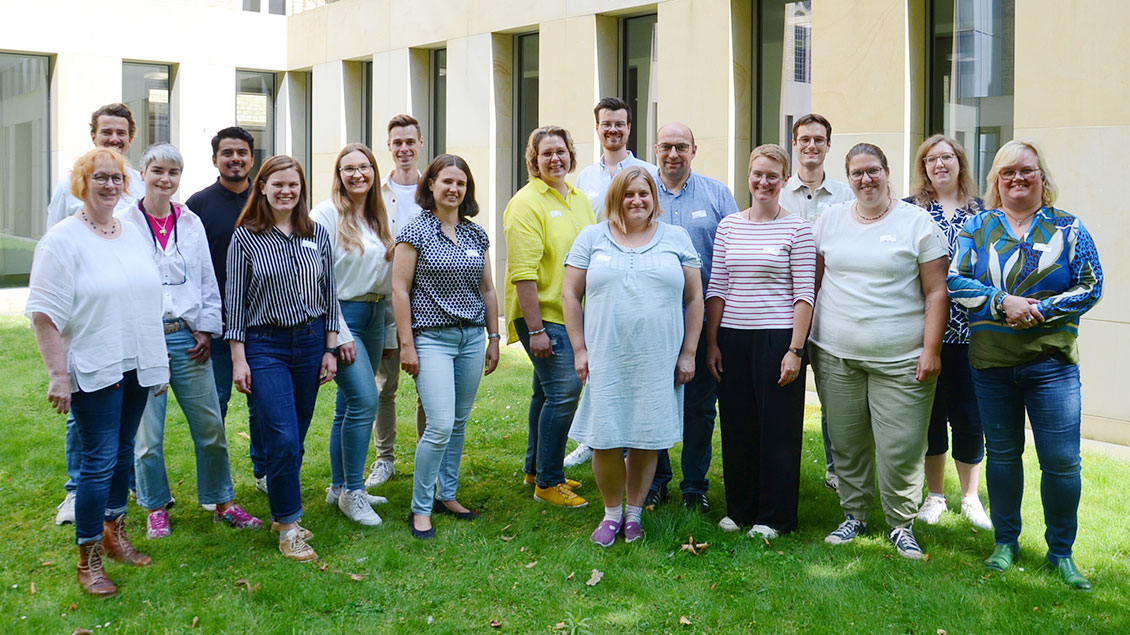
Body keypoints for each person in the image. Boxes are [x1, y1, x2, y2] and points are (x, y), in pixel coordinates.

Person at [948, 140, 1103, 590]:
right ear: (997, 179)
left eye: (1027, 171)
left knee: (1061, 462)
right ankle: (1006, 541)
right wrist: (1002, 303)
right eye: (1008, 171)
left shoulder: (1068, 227)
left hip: (1051, 365)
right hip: (992, 365)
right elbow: (956, 280)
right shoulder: (977, 227)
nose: (1018, 178)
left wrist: (1039, 310)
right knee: (1002, 457)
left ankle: (1061, 552)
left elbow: (1091, 286)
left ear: (1042, 176)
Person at [28, 147, 169, 596]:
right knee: (98, 461)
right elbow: (43, 314)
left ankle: (114, 534)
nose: (109, 185)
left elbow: (149, 298)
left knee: (123, 453)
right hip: (94, 362)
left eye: (115, 178)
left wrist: (157, 361)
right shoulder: (62, 240)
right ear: (81, 184)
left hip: (136, 361)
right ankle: (87, 557)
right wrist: (57, 375)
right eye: (99, 178)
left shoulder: (132, 232)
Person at [810, 143, 948, 560]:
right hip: (836, 355)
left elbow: (937, 292)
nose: (865, 180)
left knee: (901, 446)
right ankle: (854, 514)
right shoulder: (829, 220)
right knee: (847, 443)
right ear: (847, 178)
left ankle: (900, 523)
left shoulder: (917, 223)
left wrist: (931, 350)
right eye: (856, 173)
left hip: (902, 359)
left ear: (888, 172)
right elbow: (812, 284)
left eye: (873, 171)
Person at [124, 143, 262, 539]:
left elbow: (205, 278)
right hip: (144, 340)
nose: (165, 179)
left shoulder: (189, 221)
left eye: (173, 173)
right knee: (148, 435)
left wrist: (205, 328)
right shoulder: (126, 221)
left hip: (187, 339)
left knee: (210, 426)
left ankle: (222, 502)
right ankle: (155, 506)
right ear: (143, 172)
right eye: (158, 171)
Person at [562, 167, 702, 546]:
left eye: (644, 193)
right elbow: (570, 295)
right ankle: (611, 513)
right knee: (605, 437)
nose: (637, 200)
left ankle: (635, 513)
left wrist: (688, 353)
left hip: (658, 357)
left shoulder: (676, 237)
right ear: (615, 198)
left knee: (646, 435)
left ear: (654, 199)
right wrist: (579, 349)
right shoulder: (592, 238)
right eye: (628, 194)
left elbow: (694, 299)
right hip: (607, 356)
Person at [225, 155, 340, 561]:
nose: (286, 191)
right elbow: (234, 303)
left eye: (293, 184)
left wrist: (329, 348)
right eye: (278, 184)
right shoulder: (246, 238)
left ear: (302, 189)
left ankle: (281, 509)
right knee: (284, 438)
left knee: (295, 435)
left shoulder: (318, 233)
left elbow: (330, 296)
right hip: (265, 345)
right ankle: (289, 526)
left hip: (310, 344)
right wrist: (239, 359)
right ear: (263, 188)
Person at [704, 145, 815, 539]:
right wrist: (713, 343)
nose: (764, 182)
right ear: (748, 176)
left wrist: (795, 349)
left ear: (785, 180)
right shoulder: (729, 226)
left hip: (777, 341)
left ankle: (775, 516)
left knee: (778, 430)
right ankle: (740, 509)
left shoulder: (798, 228)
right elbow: (717, 287)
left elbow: (805, 293)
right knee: (738, 425)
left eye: (772, 176)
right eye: (757, 174)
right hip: (733, 338)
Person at [48, 103, 147, 526]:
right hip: (89, 326)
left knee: (120, 430)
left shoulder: (140, 183)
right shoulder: (68, 188)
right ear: (94, 135)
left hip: (128, 326)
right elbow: (56, 254)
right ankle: (77, 491)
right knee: (89, 424)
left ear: (131, 136)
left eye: (121, 132)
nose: (114, 138)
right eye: (106, 131)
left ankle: (117, 499)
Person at [393, 154, 500, 539]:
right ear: (431, 186)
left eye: (461, 183)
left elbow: (487, 289)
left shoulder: (476, 234)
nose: (454, 189)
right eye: (447, 182)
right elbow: (399, 290)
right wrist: (407, 344)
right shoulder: (415, 232)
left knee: (457, 423)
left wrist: (493, 337)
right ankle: (420, 508)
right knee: (438, 424)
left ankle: (447, 495)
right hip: (431, 338)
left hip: (471, 338)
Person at [503, 126, 596, 508]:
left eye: (561, 151)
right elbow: (522, 272)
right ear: (534, 160)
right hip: (542, 314)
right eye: (546, 153)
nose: (555, 159)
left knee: (544, 393)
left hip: (572, 313)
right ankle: (548, 482)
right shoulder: (526, 203)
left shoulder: (578, 199)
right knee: (563, 393)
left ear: (570, 155)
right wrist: (537, 329)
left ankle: (535, 468)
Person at [648, 122, 739, 513]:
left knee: (701, 406)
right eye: (666, 146)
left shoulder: (717, 193)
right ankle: (655, 480)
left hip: (702, 319)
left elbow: (735, 251)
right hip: (650, 318)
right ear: (655, 149)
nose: (673, 154)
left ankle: (694, 486)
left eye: (681, 147)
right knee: (654, 400)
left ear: (694, 150)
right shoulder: (640, 189)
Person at [565, 97, 660, 469]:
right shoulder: (585, 178)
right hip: (600, 278)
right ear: (598, 127)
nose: (613, 130)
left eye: (620, 124)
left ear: (629, 128)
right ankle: (594, 438)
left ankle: (632, 443)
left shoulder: (646, 171)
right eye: (607, 124)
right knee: (598, 361)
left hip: (637, 280)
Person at [905, 135, 991, 530]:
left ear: (960, 162)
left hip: (974, 334)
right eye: (931, 159)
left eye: (947, 157)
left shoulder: (986, 212)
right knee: (931, 416)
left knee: (971, 417)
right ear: (923, 167)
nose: (939, 164)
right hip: (924, 332)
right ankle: (935, 496)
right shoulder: (909, 211)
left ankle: (971, 498)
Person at [312, 143, 394, 526]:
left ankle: (338, 486)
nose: (358, 174)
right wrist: (338, 333)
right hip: (343, 316)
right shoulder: (325, 216)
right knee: (363, 400)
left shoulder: (378, 215)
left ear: (374, 172)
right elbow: (317, 280)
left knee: (347, 406)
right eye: (349, 169)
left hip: (376, 315)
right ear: (339, 175)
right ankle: (353, 493)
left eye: (364, 167)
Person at [186, 127, 269, 495]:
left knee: (263, 405)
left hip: (263, 324)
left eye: (242, 152)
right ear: (215, 159)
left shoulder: (268, 198)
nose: (235, 158)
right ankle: (216, 486)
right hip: (216, 326)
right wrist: (200, 320)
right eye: (227, 153)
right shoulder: (198, 206)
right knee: (214, 406)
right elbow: (189, 268)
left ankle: (264, 473)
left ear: (252, 158)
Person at [776, 113, 854, 493]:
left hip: (830, 310)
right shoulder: (775, 190)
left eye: (818, 140)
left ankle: (837, 469)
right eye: (804, 139)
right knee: (784, 395)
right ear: (795, 143)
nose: (811, 146)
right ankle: (781, 468)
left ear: (828, 145)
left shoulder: (846, 196)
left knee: (834, 398)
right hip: (781, 311)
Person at [364, 114, 427, 490]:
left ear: (420, 143)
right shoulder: (376, 193)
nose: (403, 149)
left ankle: (425, 454)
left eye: (410, 142)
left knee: (427, 386)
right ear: (388, 147)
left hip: (427, 301)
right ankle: (384, 458)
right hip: (386, 301)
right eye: (396, 143)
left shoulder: (431, 190)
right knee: (384, 386)